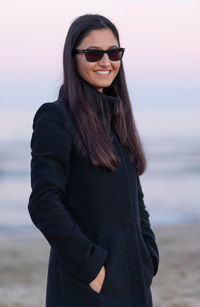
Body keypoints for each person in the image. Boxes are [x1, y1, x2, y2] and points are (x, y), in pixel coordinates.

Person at [28, 14, 159, 307]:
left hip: (135, 278)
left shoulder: (117, 119)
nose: (105, 62)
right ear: (73, 58)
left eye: (113, 53)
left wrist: (148, 253)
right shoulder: (56, 118)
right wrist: (92, 269)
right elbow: (44, 202)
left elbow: (135, 198)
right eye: (93, 53)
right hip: (88, 287)